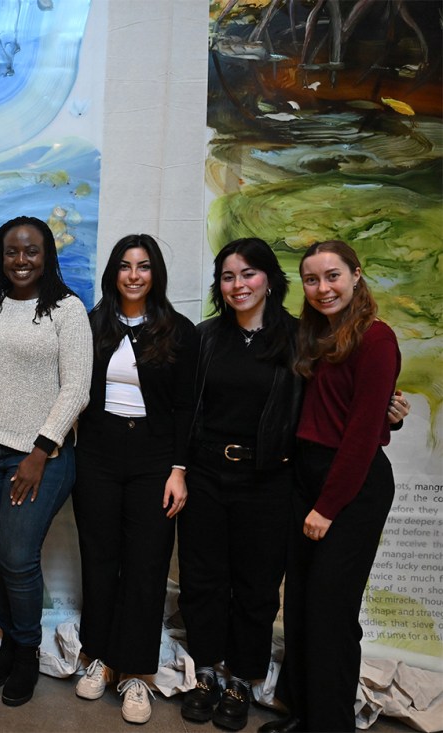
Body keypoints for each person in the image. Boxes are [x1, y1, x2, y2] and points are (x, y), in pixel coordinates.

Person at [260, 241, 402, 733]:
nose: (323, 288)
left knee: (331, 614)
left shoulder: (377, 339)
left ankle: (331, 725)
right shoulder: (314, 335)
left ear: (356, 275)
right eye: (313, 280)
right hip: (307, 476)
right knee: (299, 606)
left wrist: (328, 507)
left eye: (333, 276)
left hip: (351, 488)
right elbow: (330, 407)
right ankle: (303, 714)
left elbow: (361, 436)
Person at [0, 215, 92, 707]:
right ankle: (9, 644)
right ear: (1, 256)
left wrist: (41, 450)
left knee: (19, 559)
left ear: (47, 257)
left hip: (40, 455)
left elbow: (76, 388)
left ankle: (26, 654)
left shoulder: (67, 309)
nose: (21, 260)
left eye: (32, 251)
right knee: (4, 551)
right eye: (12, 252)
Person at [73, 233, 198, 725]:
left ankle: (137, 675)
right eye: (125, 266)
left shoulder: (179, 331)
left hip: (155, 461)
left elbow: (188, 407)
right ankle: (98, 658)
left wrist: (179, 469)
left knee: (146, 568)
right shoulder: (93, 325)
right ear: (114, 273)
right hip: (99, 457)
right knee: (100, 561)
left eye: (143, 266)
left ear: (155, 274)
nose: (133, 275)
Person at [177, 238, 299, 732]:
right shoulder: (205, 337)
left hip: (268, 478)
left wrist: (389, 413)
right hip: (206, 473)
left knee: (255, 585)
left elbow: (336, 400)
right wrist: (180, 469)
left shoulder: (299, 338)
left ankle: (243, 678)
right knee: (203, 576)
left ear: (269, 278)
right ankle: (206, 671)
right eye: (228, 277)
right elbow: (184, 409)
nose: (238, 285)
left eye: (248, 274)